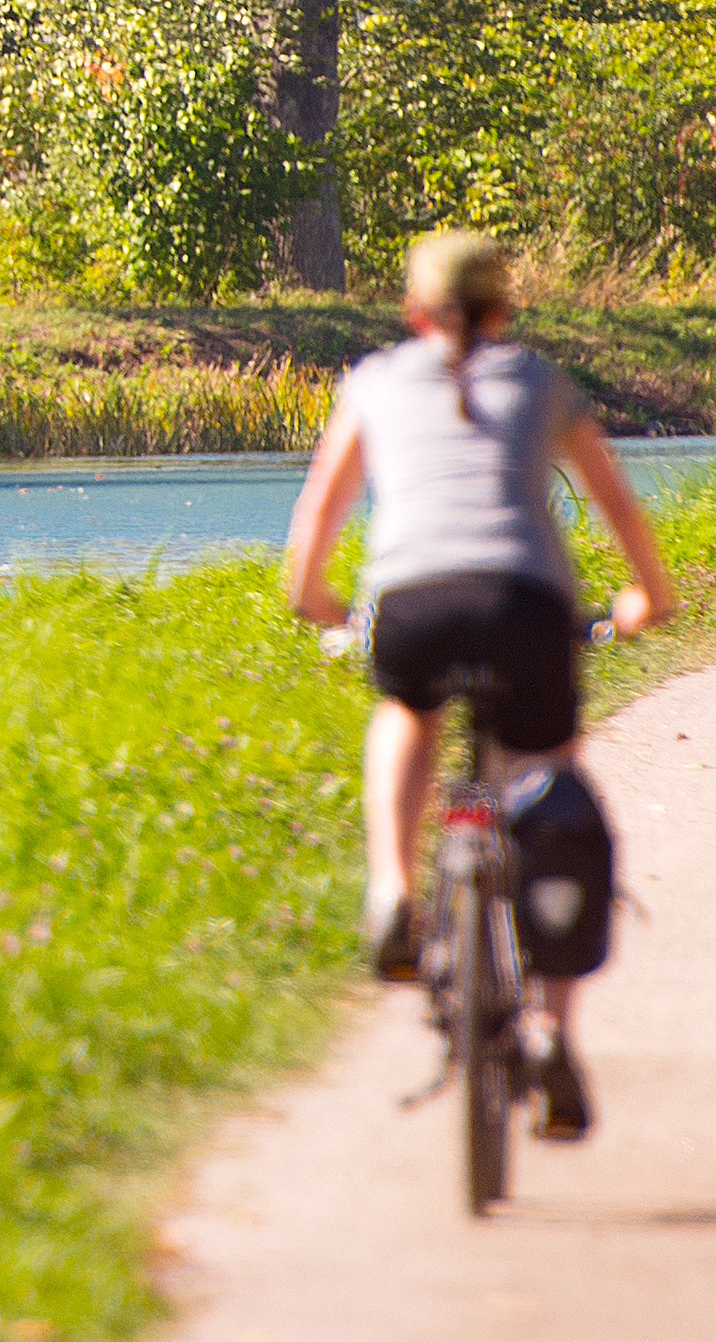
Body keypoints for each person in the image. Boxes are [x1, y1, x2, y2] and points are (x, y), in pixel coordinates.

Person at [280, 226, 680, 1142]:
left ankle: (392, 888)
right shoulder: (541, 383)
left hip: (414, 602)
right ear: (505, 309)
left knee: (406, 712)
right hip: (526, 605)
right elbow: (618, 505)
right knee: (548, 782)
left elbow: (319, 511)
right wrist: (647, 600)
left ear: (414, 312)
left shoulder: (374, 383)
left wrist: (320, 602)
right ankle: (549, 1028)